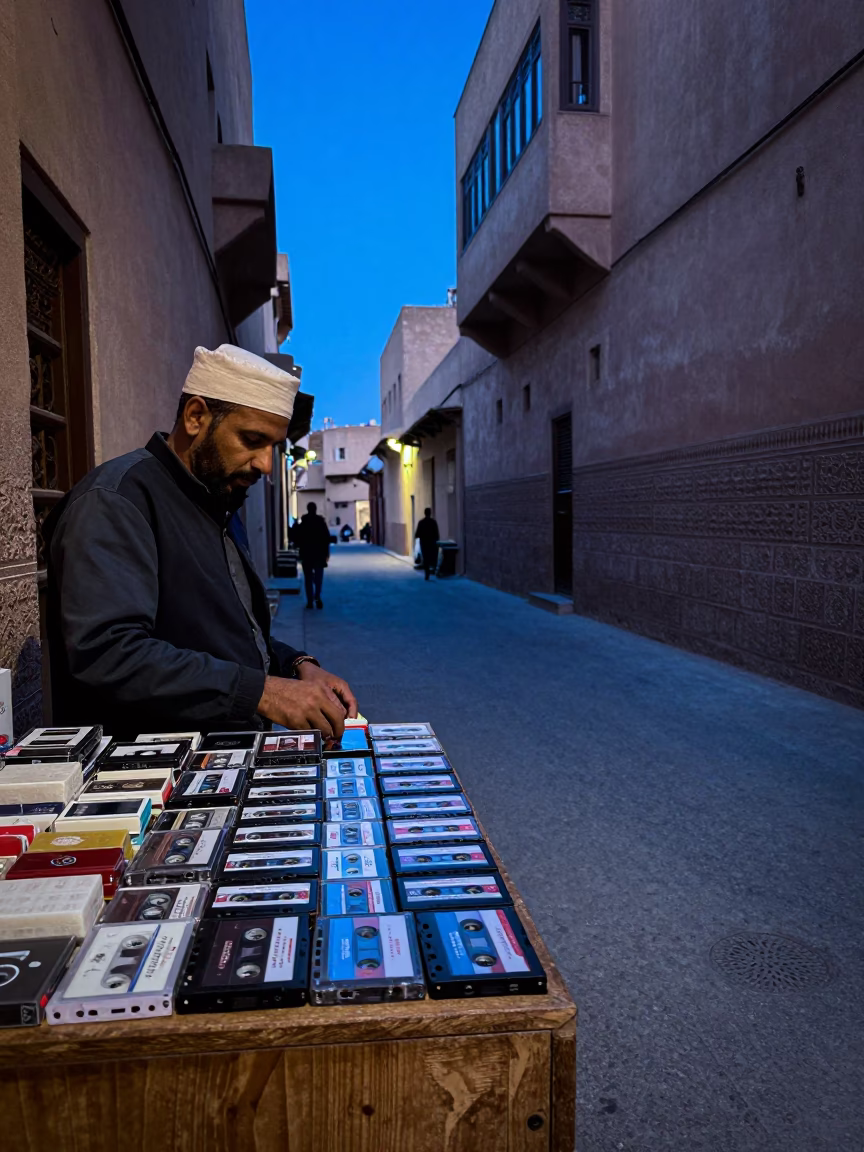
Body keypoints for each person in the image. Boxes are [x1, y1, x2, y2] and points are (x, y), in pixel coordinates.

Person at [44, 344, 357, 740]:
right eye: (252, 439)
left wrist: (296, 665)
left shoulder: (219, 497)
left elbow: (219, 635)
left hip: (224, 762)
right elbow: (108, 654)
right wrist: (263, 692)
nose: (264, 463)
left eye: (273, 447)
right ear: (195, 417)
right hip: (146, 781)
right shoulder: (116, 501)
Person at [295, 501, 331, 610]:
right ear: (315, 509)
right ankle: (317, 597)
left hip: (307, 555)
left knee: (308, 579)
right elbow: (326, 538)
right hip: (319, 555)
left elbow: (298, 538)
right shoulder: (321, 522)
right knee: (318, 578)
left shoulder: (304, 522)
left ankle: (310, 601)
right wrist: (326, 553)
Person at [415, 507, 440, 581]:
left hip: (424, 543)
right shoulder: (433, 522)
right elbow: (437, 534)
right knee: (432, 557)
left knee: (425, 558)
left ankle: (427, 573)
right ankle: (432, 570)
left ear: (424, 513)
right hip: (432, 543)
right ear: (430, 513)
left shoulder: (421, 522)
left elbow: (417, 534)